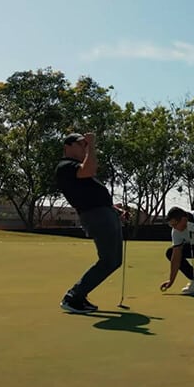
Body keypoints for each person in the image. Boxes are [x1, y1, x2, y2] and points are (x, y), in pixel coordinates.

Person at [55, 132, 124, 314]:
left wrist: (111, 208)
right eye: (81, 144)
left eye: (85, 145)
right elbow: (90, 170)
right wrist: (92, 145)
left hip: (103, 213)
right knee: (109, 260)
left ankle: (78, 296)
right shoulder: (65, 166)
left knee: (115, 261)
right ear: (67, 147)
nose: (84, 147)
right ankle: (73, 297)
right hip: (96, 216)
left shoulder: (78, 166)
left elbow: (90, 188)